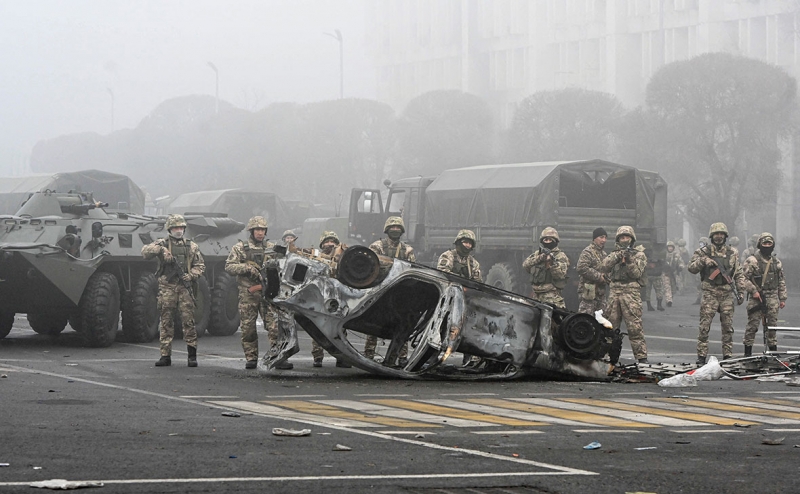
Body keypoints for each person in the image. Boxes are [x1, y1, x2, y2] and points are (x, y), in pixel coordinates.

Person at [225, 216, 293, 370]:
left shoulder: (271, 248)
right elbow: (229, 267)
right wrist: (247, 268)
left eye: (262, 230)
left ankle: (278, 357)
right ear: (251, 231)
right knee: (248, 328)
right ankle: (251, 358)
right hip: (248, 294)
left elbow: (285, 264)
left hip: (268, 294)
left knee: (275, 327)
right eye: (257, 230)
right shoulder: (240, 248)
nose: (260, 233)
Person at [142, 214, 205, 367]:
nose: (178, 231)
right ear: (169, 229)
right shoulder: (162, 243)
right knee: (166, 321)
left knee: (188, 321)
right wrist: (161, 250)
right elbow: (145, 252)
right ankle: (165, 355)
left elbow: (200, 266)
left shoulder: (191, 246)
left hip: (184, 287)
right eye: (175, 228)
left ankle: (191, 355)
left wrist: (191, 276)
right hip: (167, 287)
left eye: (181, 228)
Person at [687, 222, 753, 364]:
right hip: (710, 292)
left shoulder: (732, 253)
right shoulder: (703, 252)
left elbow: (738, 273)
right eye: (716, 234)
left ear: (725, 236)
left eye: (721, 234)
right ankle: (701, 356)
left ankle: (727, 355)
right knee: (705, 326)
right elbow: (691, 268)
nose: (718, 237)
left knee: (728, 327)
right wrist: (704, 261)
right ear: (711, 236)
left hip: (727, 293)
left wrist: (740, 292)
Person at [365, 217, 416, 364]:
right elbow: (371, 266)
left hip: (400, 293)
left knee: (402, 324)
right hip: (379, 289)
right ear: (387, 230)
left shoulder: (407, 250)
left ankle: (402, 357)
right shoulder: (377, 246)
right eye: (392, 228)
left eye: (398, 228)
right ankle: (369, 355)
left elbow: (412, 269)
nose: (395, 230)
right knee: (373, 323)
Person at [599, 226, 649, 364]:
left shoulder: (639, 255)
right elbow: (603, 266)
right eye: (622, 237)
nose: (624, 240)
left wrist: (629, 260)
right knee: (610, 327)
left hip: (631, 292)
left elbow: (636, 274)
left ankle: (641, 357)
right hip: (614, 292)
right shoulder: (614, 254)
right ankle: (609, 357)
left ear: (632, 239)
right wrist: (617, 256)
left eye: (627, 237)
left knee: (634, 327)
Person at [742, 232, 788, 356]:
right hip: (757, 297)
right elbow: (743, 279)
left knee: (772, 327)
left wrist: (782, 298)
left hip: (772, 297)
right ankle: (747, 353)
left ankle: (773, 353)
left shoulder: (776, 262)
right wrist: (754, 291)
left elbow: (781, 280)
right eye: (764, 243)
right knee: (753, 326)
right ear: (759, 244)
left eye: (769, 243)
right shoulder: (752, 260)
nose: (767, 246)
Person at [313, 231, 351, 368]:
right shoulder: (315, 257)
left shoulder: (344, 258)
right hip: (321, 296)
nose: (330, 244)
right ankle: (317, 357)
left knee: (340, 328)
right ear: (322, 244)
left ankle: (342, 358)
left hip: (338, 297)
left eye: (333, 242)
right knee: (318, 326)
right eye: (327, 242)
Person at [523, 227, 569, 308]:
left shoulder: (560, 256)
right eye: (545, 240)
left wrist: (551, 263)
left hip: (551, 297)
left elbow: (560, 274)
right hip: (536, 296)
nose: (547, 242)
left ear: (555, 241)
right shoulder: (538, 254)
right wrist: (539, 258)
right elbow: (525, 265)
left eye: (550, 240)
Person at [576, 227, 609, 315]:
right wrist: (599, 277)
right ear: (595, 238)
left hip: (600, 293)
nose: (604, 240)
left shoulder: (604, 254)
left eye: (605, 238)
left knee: (602, 319)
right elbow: (581, 268)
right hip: (588, 291)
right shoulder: (588, 252)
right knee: (586, 317)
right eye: (601, 237)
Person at [661, 241, 684, 307]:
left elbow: (681, 262)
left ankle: (670, 298)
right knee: (667, 287)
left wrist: (680, 267)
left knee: (673, 289)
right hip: (666, 273)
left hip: (674, 274)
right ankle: (669, 300)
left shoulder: (676, 255)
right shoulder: (664, 255)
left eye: (671, 247)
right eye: (669, 247)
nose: (670, 248)